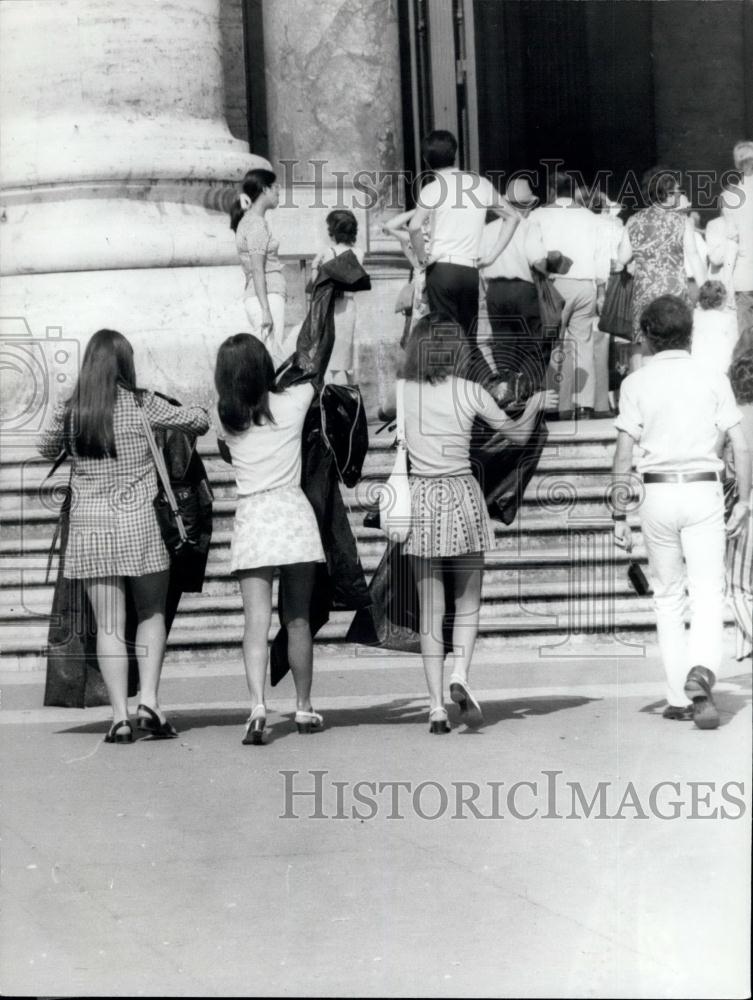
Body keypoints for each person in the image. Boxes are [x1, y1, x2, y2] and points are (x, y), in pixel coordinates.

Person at [37, 329, 211, 743]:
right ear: (125, 364)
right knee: (151, 613)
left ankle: (118, 717)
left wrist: (62, 409)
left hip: (90, 530)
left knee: (110, 626)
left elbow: (46, 449)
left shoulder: (74, 410)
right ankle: (149, 700)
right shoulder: (142, 403)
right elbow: (199, 422)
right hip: (140, 528)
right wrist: (195, 404)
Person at [400, 314, 556, 733]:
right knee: (468, 602)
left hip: (422, 499)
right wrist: (536, 405)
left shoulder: (403, 391)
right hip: (462, 497)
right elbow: (518, 438)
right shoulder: (469, 392)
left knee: (431, 611)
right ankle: (460, 675)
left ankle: (434, 707)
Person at [612, 296, 751, 729]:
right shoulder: (712, 377)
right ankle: (702, 671)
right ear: (689, 332)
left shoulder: (636, 383)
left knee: (668, 597)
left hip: (656, 494)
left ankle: (676, 696)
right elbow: (739, 444)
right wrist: (744, 500)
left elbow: (622, 454)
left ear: (649, 336)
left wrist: (618, 517)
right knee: (709, 591)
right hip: (702, 491)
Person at [214, 333, 326, 744]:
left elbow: (227, 452)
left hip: (254, 516)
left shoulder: (226, 418)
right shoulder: (293, 403)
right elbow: (313, 367)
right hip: (292, 513)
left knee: (255, 622)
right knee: (298, 619)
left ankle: (258, 705)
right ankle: (303, 705)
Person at [407, 130, 520, 385]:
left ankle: (464, 393)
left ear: (426, 159)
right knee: (468, 337)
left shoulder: (432, 189)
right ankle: (486, 391)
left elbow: (414, 227)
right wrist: (492, 256)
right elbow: (512, 216)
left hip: (442, 267)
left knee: (445, 336)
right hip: (469, 270)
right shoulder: (479, 183)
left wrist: (423, 257)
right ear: (455, 153)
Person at [533, 172, 611, 418]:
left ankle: (556, 403)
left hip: (554, 284)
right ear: (573, 190)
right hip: (585, 284)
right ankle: (583, 404)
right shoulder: (591, 218)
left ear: (552, 191)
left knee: (553, 343)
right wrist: (600, 290)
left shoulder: (538, 216)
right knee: (583, 344)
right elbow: (602, 257)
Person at [618, 166, 705, 369]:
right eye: (677, 190)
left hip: (644, 291)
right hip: (673, 290)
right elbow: (693, 256)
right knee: (676, 341)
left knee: (645, 341)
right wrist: (704, 287)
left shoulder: (633, 221)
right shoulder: (682, 221)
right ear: (666, 192)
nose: (679, 194)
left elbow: (622, 257)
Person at [479, 176, 549, 394]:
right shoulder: (529, 226)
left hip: (495, 291)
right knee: (534, 345)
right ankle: (526, 392)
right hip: (522, 290)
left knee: (504, 346)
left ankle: (508, 392)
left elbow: (480, 262)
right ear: (529, 205)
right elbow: (536, 259)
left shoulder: (488, 228)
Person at [230, 167, 286, 367]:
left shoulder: (250, 221)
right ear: (264, 189)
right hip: (267, 297)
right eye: (275, 187)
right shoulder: (256, 224)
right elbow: (257, 269)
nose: (278, 191)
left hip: (262, 295)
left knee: (268, 360)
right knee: (272, 361)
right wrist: (266, 309)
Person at [311, 209, 364, 384]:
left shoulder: (328, 253)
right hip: (349, 307)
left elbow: (317, 284)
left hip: (332, 309)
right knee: (343, 362)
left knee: (330, 363)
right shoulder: (359, 252)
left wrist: (313, 267)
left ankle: (333, 401)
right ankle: (347, 399)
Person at [724, 349, 753, 662]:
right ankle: (744, 647)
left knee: (736, 587)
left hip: (746, 501)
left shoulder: (733, 418)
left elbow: (717, 459)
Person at [721, 140, 753, 332]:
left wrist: (727, 279)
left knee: (747, 342)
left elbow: (731, 242)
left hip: (744, 278)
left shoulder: (730, 196)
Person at [691, 280, 739, 375]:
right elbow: (735, 344)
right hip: (722, 367)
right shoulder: (729, 319)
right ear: (722, 301)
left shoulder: (696, 316)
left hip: (698, 365)